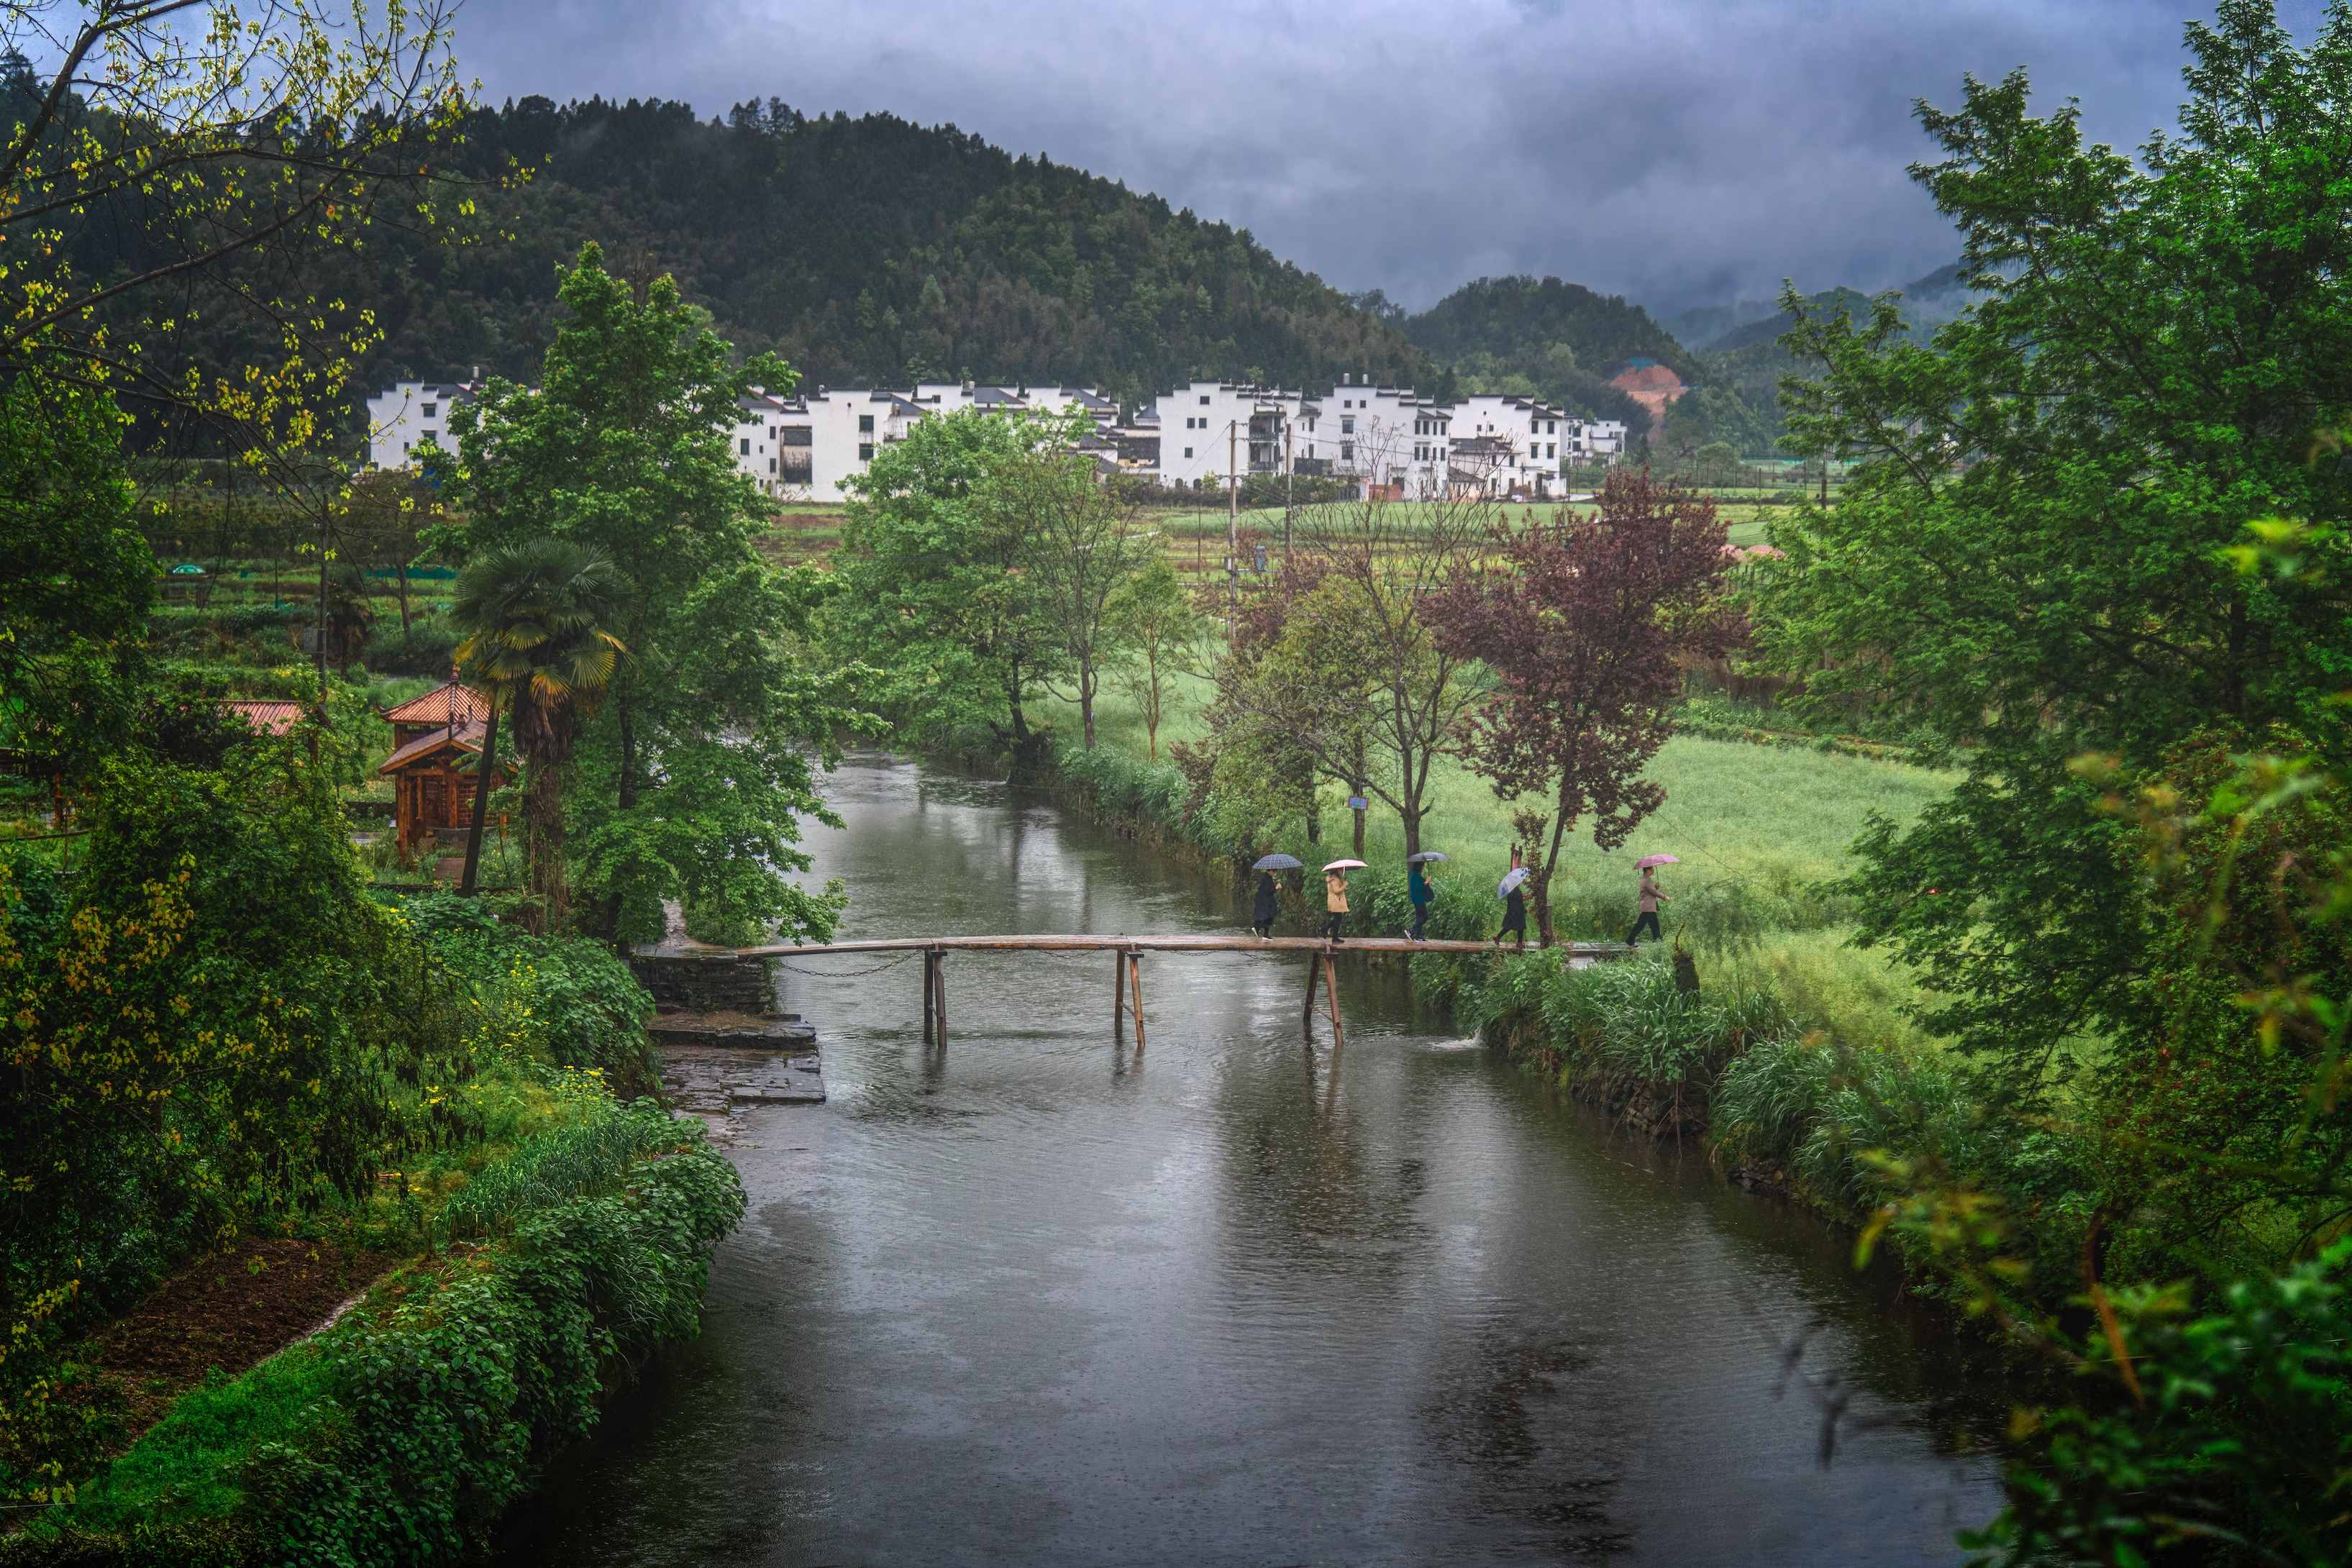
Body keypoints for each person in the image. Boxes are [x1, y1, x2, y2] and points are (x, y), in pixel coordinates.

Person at [1492, 848, 1527, 950]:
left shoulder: (1512, 889)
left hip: (1514, 911)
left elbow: (1520, 898)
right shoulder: (1514, 890)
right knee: (1519, 926)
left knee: (1510, 926)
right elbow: (1519, 900)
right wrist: (1526, 897)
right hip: (1517, 911)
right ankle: (1519, 943)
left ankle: (1498, 937)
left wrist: (1516, 856)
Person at [1625, 865, 1668, 946]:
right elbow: (1654, 892)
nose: (1653, 870)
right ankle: (1658, 942)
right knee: (1652, 926)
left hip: (1647, 906)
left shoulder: (1644, 880)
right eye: (1652, 869)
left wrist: (1656, 887)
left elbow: (1649, 891)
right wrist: (1665, 897)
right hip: (1649, 907)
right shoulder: (1647, 881)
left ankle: (1630, 939)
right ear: (1648, 870)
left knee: (1644, 925)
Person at [1407, 861, 1433, 942]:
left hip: (1419, 899)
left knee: (1420, 917)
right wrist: (1426, 882)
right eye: (1422, 866)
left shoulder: (1417, 876)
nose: (1422, 868)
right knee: (1425, 916)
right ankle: (1411, 931)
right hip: (1418, 899)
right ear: (1419, 867)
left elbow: (1423, 883)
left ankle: (1418, 935)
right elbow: (1418, 887)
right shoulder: (1414, 876)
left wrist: (1427, 881)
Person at [1321, 867, 1349, 944]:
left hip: (1334, 901)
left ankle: (1325, 929)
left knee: (1338, 919)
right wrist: (1344, 886)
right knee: (1338, 919)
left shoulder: (1334, 878)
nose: (1342, 871)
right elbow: (1336, 891)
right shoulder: (1335, 879)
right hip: (1335, 901)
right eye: (1341, 870)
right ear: (1336, 870)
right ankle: (1334, 938)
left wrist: (1343, 883)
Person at [1251, 870, 1279, 939]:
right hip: (1266, 901)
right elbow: (1268, 891)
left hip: (1266, 901)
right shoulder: (1266, 878)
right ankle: (1257, 927)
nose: (1275, 873)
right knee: (1268, 916)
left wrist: (1275, 887)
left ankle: (1265, 934)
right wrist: (1277, 888)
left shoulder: (1268, 877)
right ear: (1271, 871)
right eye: (1274, 871)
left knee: (1269, 917)